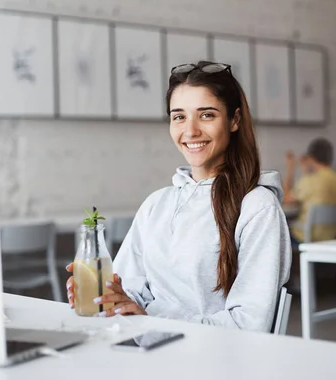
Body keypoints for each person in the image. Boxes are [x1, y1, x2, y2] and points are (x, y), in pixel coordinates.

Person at [66, 61, 292, 332]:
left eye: (206, 115)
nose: (191, 130)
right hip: (149, 348)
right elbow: (129, 292)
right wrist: (107, 297)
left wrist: (150, 317)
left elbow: (248, 324)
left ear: (234, 120)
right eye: (179, 116)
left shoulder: (258, 207)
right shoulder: (156, 204)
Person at [283, 138, 336, 245]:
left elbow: (284, 199)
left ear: (311, 158)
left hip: (307, 238)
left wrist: (290, 169)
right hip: (331, 237)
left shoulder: (309, 181)